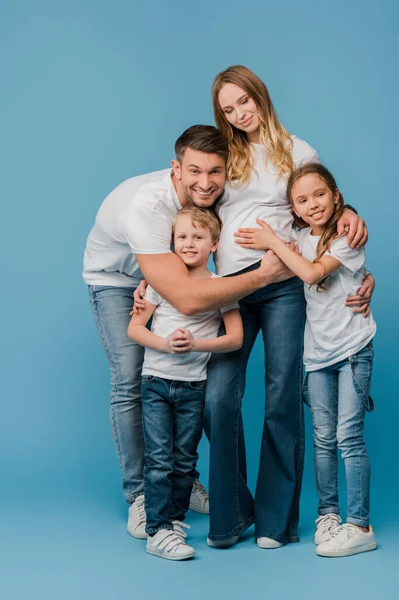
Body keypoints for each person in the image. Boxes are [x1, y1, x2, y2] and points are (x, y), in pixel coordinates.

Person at [83, 125, 290, 538]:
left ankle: (181, 482)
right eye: (194, 171)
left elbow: (291, 195)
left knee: (184, 377)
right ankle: (142, 495)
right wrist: (264, 276)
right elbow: (190, 300)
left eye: (215, 172)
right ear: (175, 169)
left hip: (172, 277)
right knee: (132, 377)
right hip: (117, 280)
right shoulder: (147, 208)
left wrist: (346, 218)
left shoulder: (213, 190)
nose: (206, 182)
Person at [204, 65, 374, 549]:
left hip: (284, 286)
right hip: (232, 285)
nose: (239, 114)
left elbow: (321, 202)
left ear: (260, 95)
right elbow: (196, 207)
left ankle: (276, 522)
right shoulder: (222, 154)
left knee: (281, 398)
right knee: (218, 398)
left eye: (244, 101)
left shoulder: (300, 151)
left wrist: (352, 212)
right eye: (228, 108)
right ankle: (233, 514)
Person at [234, 162, 377, 557]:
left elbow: (313, 274)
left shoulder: (347, 237)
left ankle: (359, 524)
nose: (312, 204)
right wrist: (274, 239)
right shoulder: (298, 234)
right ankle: (328, 516)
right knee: (322, 440)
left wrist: (272, 242)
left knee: (348, 438)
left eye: (319, 194)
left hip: (351, 351)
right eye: (302, 200)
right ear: (294, 210)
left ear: (336, 196)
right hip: (316, 356)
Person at [128, 207, 243, 560]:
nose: (189, 243)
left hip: (194, 386)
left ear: (214, 244)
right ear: (172, 241)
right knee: (160, 459)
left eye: (198, 237)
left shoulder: (221, 287)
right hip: (156, 383)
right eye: (182, 236)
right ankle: (157, 530)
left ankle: (172, 522)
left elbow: (236, 338)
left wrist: (197, 345)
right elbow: (134, 329)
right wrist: (165, 344)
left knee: (184, 460)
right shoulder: (160, 283)